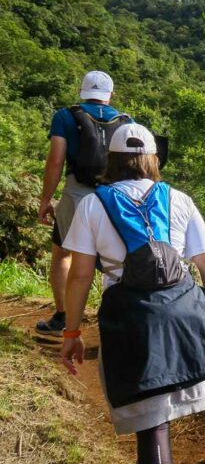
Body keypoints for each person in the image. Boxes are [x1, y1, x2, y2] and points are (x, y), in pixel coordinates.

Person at [57, 123, 205, 464]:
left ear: (111, 160)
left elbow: (80, 275)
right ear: (154, 158)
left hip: (131, 317)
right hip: (183, 310)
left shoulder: (94, 204)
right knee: (155, 407)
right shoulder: (179, 199)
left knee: (151, 415)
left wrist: (73, 330)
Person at [36, 70, 132, 335]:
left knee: (63, 253)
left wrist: (45, 199)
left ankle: (63, 317)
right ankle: (114, 323)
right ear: (110, 95)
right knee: (115, 261)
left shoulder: (65, 117)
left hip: (77, 193)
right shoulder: (126, 121)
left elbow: (56, 160)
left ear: (82, 92)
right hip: (114, 196)